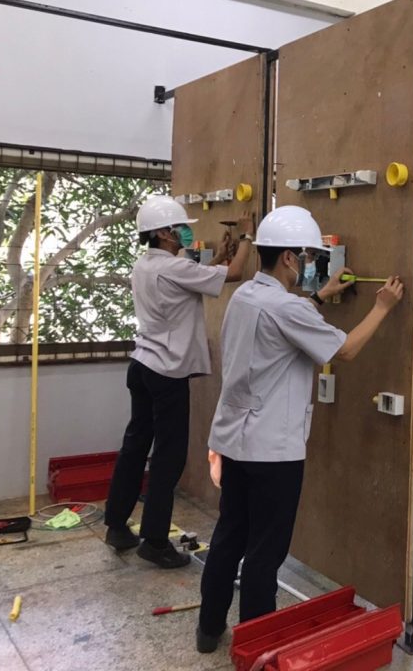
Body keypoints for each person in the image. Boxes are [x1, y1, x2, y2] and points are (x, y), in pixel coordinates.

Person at [196, 205, 404, 654]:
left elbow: (290, 322)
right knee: (265, 553)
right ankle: (255, 648)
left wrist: (323, 294)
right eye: (307, 256)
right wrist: (382, 307)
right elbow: (345, 350)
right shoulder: (285, 307)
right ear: (290, 258)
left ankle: (208, 631)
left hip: (234, 441)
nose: (309, 264)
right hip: (272, 451)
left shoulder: (245, 296)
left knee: (230, 536)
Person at [104, 196, 254, 567]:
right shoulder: (173, 267)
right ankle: (155, 541)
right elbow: (235, 274)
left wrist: (219, 257)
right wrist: (247, 237)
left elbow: (198, 277)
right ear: (162, 233)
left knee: (135, 446)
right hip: (166, 373)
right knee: (168, 457)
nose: (184, 232)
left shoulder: (147, 265)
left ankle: (117, 525)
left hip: (142, 365)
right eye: (179, 228)